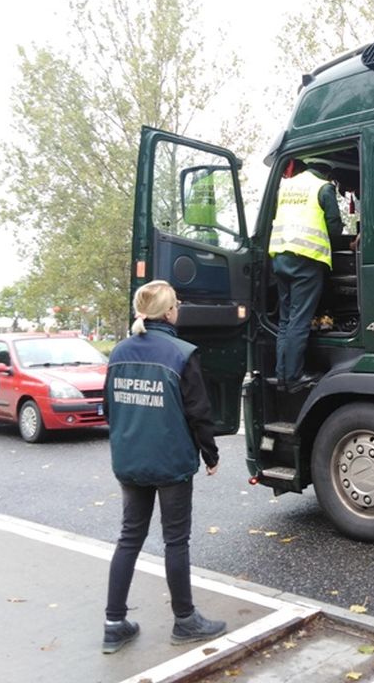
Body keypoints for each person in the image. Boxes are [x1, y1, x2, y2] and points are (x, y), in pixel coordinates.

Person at [101, 280, 226, 653]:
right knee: (176, 540)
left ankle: (113, 623)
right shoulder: (182, 353)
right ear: (170, 312)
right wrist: (211, 454)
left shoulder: (119, 352)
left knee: (129, 538)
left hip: (129, 460)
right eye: (177, 306)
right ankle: (185, 621)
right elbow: (199, 413)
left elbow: (110, 409)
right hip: (171, 462)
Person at [268, 157, 343, 392]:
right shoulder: (323, 187)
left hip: (280, 256)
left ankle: (281, 375)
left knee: (285, 320)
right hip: (306, 259)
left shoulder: (287, 186)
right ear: (327, 173)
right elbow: (334, 225)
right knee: (300, 320)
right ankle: (293, 377)